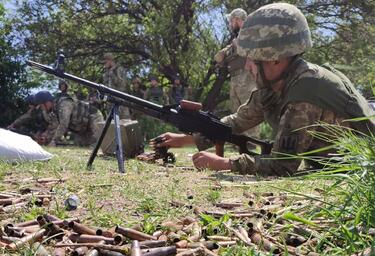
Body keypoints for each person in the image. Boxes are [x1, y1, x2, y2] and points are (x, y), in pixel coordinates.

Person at [154, 3, 375, 176]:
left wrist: (226, 164)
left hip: (359, 168)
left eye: (252, 60)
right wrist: (186, 138)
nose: (248, 66)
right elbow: (236, 123)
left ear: (275, 59)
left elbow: (282, 166)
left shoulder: (305, 92)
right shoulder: (277, 85)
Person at [214, 8, 259, 138]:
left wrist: (235, 46)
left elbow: (249, 52)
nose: (230, 24)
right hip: (235, 76)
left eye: (231, 21)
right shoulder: (237, 37)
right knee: (236, 110)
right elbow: (219, 57)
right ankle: (238, 140)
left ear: (237, 19)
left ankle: (251, 140)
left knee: (249, 108)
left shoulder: (249, 33)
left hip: (247, 76)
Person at [41, 80, 104, 146]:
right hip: (82, 127)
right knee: (81, 146)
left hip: (93, 117)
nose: (43, 108)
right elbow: (53, 125)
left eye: (42, 106)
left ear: (47, 102)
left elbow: (64, 124)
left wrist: (54, 141)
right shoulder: (55, 109)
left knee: (99, 143)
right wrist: (46, 136)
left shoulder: (64, 103)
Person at [102, 52, 130, 119]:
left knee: (124, 123)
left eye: (105, 63)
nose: (104, 65)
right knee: (111, 124)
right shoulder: (105, 73)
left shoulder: (120, 70)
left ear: (110, 61)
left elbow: (122, 84)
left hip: (120, 102)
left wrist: (112, 74)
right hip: (110, 103)